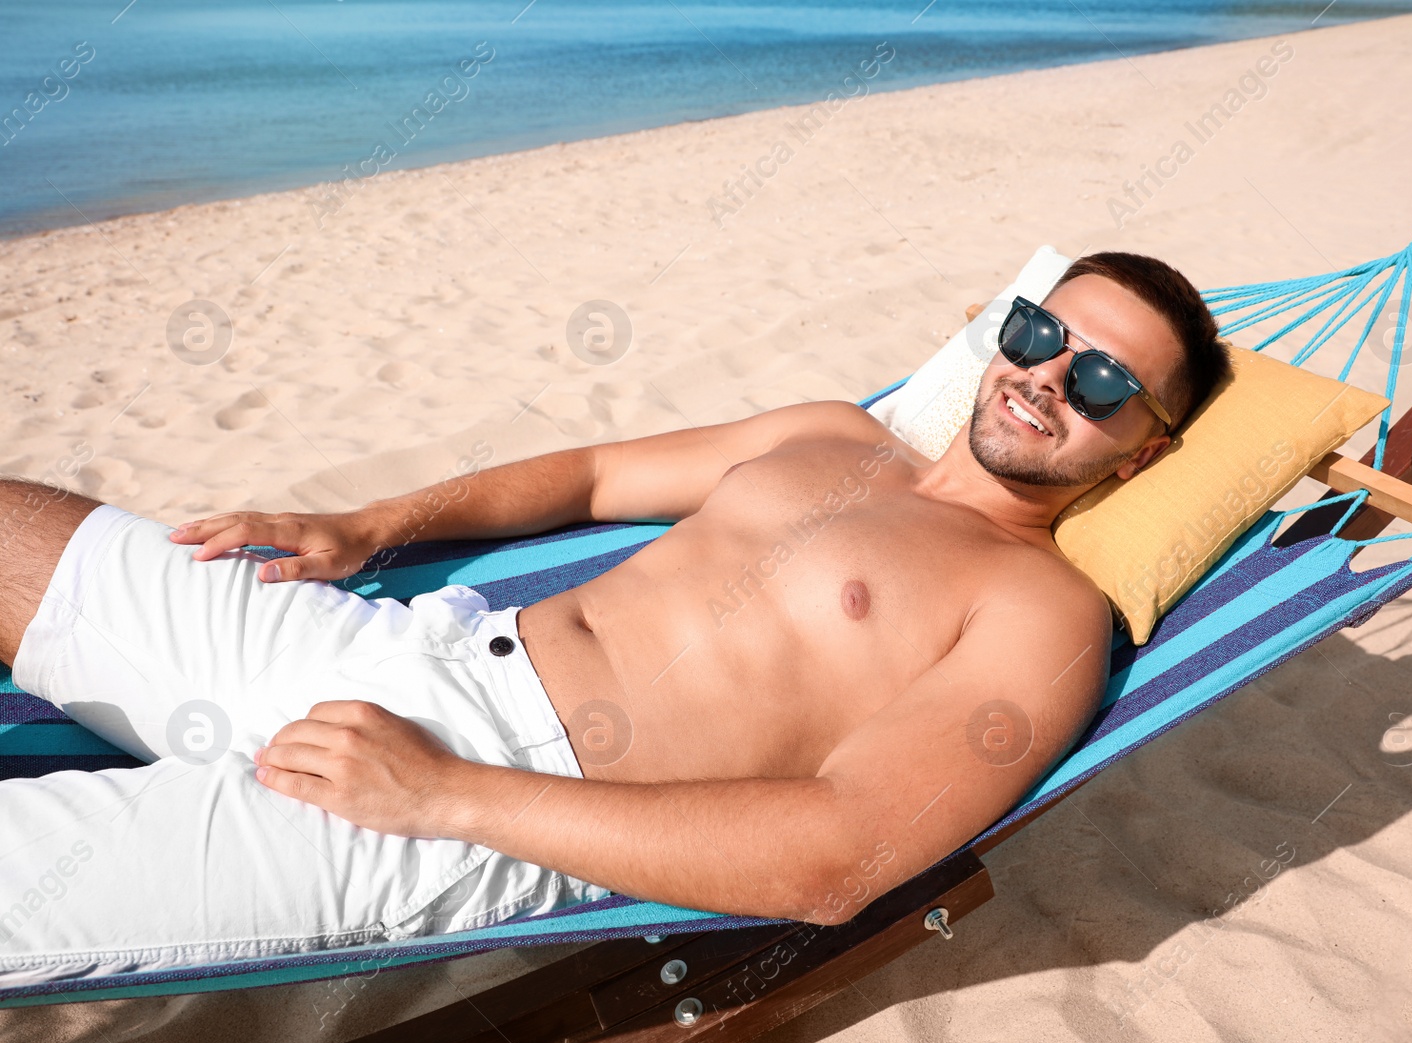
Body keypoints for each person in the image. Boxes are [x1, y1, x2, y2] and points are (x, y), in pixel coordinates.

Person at [0, 251, 1226, 987]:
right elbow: (591, 475)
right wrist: (371, 524)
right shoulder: (834, 434)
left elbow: (838, 855)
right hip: (403, 642)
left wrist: (446, 795)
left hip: (486, 803)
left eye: (1106, 380)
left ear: (1145, 452)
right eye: (1038, 332)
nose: (1049, 375)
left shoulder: (1042, 610)